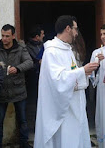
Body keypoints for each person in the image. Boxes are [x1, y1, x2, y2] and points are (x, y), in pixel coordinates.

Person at [34, 15, 99, 148]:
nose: (76, 33)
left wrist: (85, 72)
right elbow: (57, 80)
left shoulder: (67, 49)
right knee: (64, 139)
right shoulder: (51, 51)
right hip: (61, 108)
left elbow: (72, 72)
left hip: (74, 103)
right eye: (75, 29)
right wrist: (82, 71)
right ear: (68, 28)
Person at [0, 24, 33, 148]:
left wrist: (18, 68)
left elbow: (29, 62)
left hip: (18, 90)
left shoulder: (21, 48)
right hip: (1, 90)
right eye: (3, 36)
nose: (4, 39)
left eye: (7, 36)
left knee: (22, 121)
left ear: (13, 36)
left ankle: (24, 144)